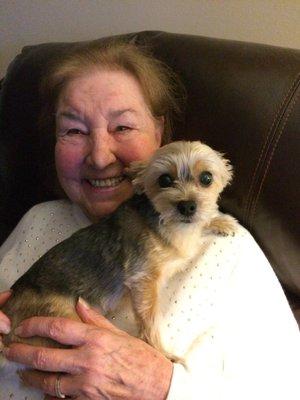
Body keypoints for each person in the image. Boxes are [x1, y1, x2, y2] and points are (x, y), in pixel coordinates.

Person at [0, 40, 299, 400]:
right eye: (75, 131)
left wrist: (162, 386)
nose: (99, 157)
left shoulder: (227, 250)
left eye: (122, 127)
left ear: (159, 134)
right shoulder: (37, 219)